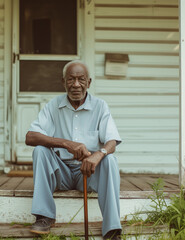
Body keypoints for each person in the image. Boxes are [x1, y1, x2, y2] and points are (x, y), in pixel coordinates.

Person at [25, 60, 122, 239]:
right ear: (63, 82)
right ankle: (44, 216)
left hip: (89, 171)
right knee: (40, 150)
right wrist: (66, 144)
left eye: (81, 79)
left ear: (89, 82)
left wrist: (97, 155)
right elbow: (30, 136)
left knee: (110, 159)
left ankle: (112, 229)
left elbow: (112, 141)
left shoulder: (100, 106)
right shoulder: (53, 105)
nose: (76, 85)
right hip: (60, 171)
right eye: (71, 79)